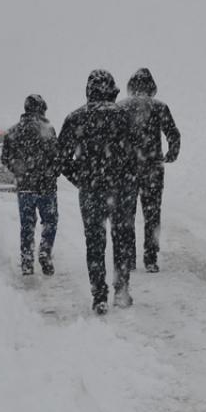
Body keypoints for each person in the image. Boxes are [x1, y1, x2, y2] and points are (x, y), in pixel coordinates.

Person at [59, 70, 140, 314]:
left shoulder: (75, 119)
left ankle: (99, 295)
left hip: (91, 190)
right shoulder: (124, 116)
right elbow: (138, 154)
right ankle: (122, 289)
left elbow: (60, 158)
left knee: (94, 242)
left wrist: (81, 178)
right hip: (121, 189)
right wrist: (128, 176)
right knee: (122, 238)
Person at [118, 68, 181, 273]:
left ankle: (128, 257)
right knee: (152, 213)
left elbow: (113, 138)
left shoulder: (121, 108)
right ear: (152, 87)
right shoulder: (159, 107)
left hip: (127, 169)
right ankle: (150, 256)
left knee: (127, 213)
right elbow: (173, 134)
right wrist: (171, 153)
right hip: (152, 167)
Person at [1, 94, 60, 276]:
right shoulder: (48, 130)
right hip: (46, 187)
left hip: (25, 187)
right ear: (41, 109)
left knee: (27, 224)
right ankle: (45, 251)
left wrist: (20, 171)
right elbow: (57, 158)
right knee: (50, 221)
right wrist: (52, 173)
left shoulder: (13, 131)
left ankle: (27, 260)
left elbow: (6, 158)